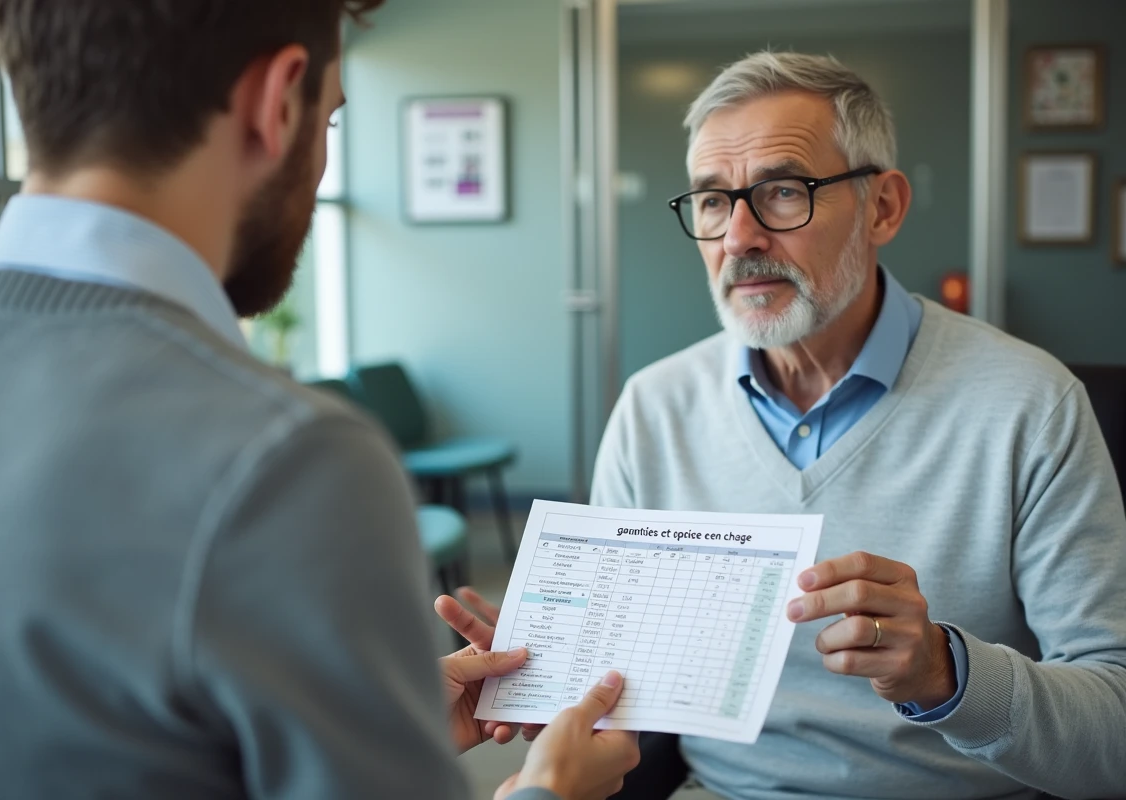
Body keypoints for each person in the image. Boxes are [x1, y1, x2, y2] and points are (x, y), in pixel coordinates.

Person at [0, 2, 640, 799]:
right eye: (330, 122)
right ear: (279, 100)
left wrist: (367, 725)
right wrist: (549, 792)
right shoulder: (287, 456)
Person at [441, 52, 1126, 800]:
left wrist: (945, 672)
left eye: (782, 192)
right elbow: (625, 692)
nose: (739, 237)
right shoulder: (654, 409)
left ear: (884, 208)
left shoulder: (1030, 403)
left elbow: (1113, 735)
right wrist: (551, 678)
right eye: (711, 201)